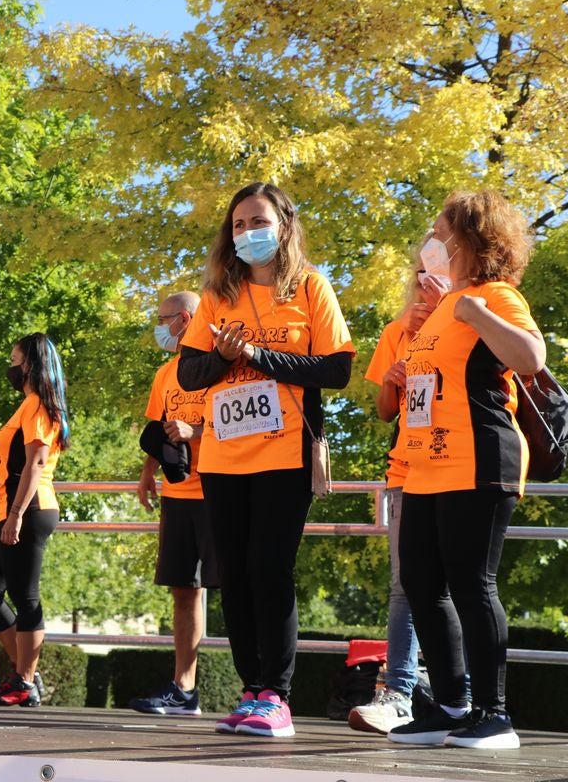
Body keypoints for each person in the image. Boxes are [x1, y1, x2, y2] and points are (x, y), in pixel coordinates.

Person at [176, 182, 353, 738]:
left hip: (285, 454)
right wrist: (227, 360)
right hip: (225, 458)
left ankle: (277, 695)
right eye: (237, 225)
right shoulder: (215, 299)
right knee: (232, 574)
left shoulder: (311, 289)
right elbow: (188, 374)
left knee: (269, 568)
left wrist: (258, 354)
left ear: (284, 225)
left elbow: (336, 370)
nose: (247, 232)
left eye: (258, 221)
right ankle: (251, 689)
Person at [386, 190, 544, 751]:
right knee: (423, 584)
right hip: (426, 466)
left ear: (471, 240)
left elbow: (530, 358)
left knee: (472, 585)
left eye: (441, 232)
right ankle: (451, 705)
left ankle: (494, 715)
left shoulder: (494, 295)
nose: (432, 243)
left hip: (479, 459)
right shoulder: (439, 309)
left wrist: (475, 311)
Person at [352, 253, 438, 734]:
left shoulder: (480, 314)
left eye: (440, 267)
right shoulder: (396, 330)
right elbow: (386, 411)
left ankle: (459, 699)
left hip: (466, 471)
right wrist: (391, 379)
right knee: (405, 585)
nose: (427, 281)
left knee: (465, 587)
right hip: (407, 470)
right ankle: (399, 692)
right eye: (421, 271)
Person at [129, 291, 218, 716]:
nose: (159, 327)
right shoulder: (166, 372)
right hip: (178, 494)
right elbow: (158, 426)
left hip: (220, 490)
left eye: (163, 319)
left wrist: (195, 431)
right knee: (184, 590)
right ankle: (184, 690)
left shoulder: (221, 366)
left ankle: (261, 691)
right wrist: (148, 471)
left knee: (237, 591)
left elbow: (243, 421)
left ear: (184, 319)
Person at [0, 333, 70, 708]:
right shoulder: (27, 405)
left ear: (29, 364)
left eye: (14, 360)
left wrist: (14, 516)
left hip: (28, 510)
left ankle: (24, 682)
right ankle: (23, 673)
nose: (10, 368)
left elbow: (36, 464)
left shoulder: (39, 407)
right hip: (10, 511)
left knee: (25, 598)